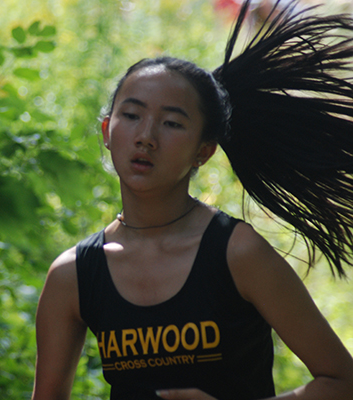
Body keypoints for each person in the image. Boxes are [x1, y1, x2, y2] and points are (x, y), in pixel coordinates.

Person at [31, 0, 353, 399]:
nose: (146, 135)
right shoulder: (74, 276)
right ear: (106, 130)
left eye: (171, 123)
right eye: (131, 115)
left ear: (204, 151)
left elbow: (342, 381)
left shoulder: (238, 253)